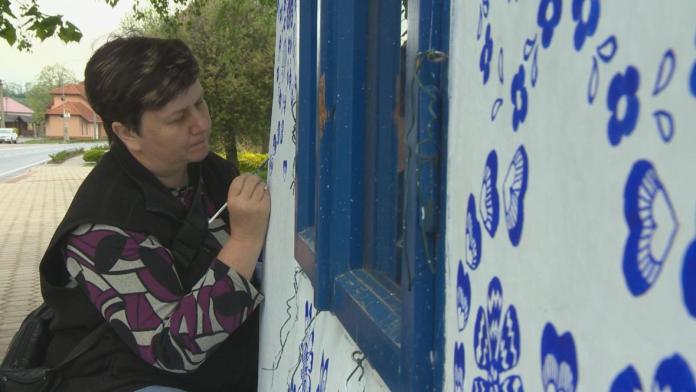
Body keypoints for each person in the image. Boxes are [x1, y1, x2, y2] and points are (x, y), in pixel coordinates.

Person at [38, 36, 270, 392]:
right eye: (178, 117)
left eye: (200, 102)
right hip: (130, 379)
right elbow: (174, 349)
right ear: (127, 132)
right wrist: (246, 240)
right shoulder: (101, 228)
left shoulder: (210, 172)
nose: (201, 124)